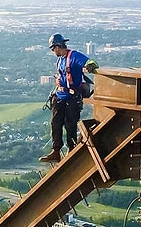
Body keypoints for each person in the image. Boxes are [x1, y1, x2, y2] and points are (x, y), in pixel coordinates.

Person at [40, 33, 99, 162]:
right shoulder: (60, 59)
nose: (52, 51)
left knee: (70, 125)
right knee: (56, 123)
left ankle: (71, 150)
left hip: (72, 98)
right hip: (60, 96)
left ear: (57, 46)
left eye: (52, 48)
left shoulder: (73, 56)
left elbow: (90, 62)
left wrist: (90, 66)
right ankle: (56, 151)